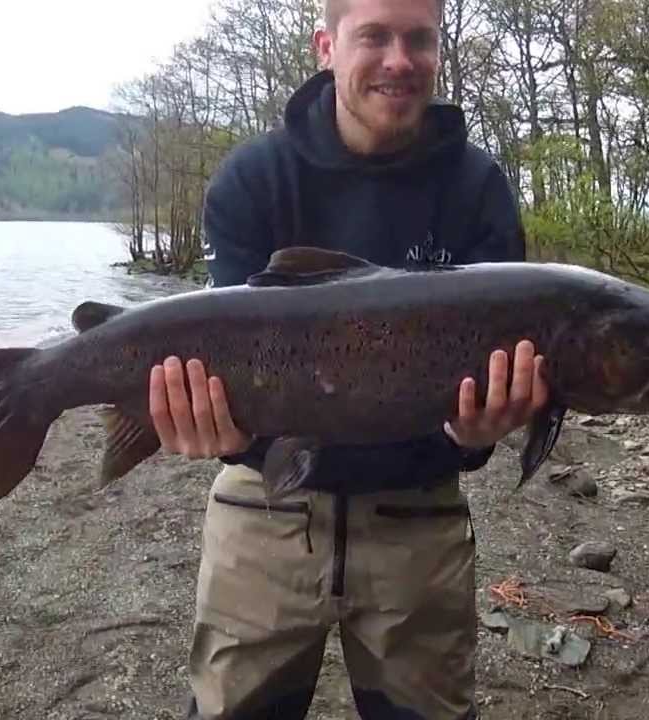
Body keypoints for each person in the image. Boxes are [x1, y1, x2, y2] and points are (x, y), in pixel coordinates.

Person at [146, 0, 547, 717]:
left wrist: (478, 434)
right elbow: (216, 357)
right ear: (326, 47)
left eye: (419, 39)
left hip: (417, 522)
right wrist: (219, 430)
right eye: (375, 37)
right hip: (263, 512)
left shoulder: (477, 188)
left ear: (439, 50)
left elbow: (492, 404)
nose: (400, 59)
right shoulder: (252, 180)